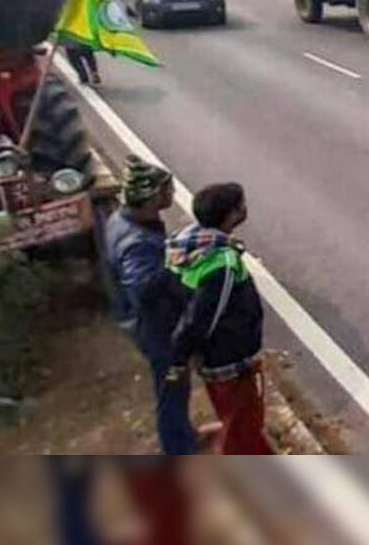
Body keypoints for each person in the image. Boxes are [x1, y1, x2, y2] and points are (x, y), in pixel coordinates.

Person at [167, 183, 272, 455]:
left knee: (240, 421)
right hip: (230, 359)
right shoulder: (221, 263)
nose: (245, 209)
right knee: (243, 429)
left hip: (211, 358)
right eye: (241, 206)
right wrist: (180, 355)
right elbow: (203, 318)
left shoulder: (187, 244)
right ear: (229, 216)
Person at [106, 155, 198, 455]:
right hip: (159, 332)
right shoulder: (137, 244)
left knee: (175, 390)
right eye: (165, 191)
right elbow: (144, 289)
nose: (171, 195)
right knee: (172, 391)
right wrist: (178, 269)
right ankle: (179, 450)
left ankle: (184, 437)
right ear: (150, 197)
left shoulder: (124, 220)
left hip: (149, 325)